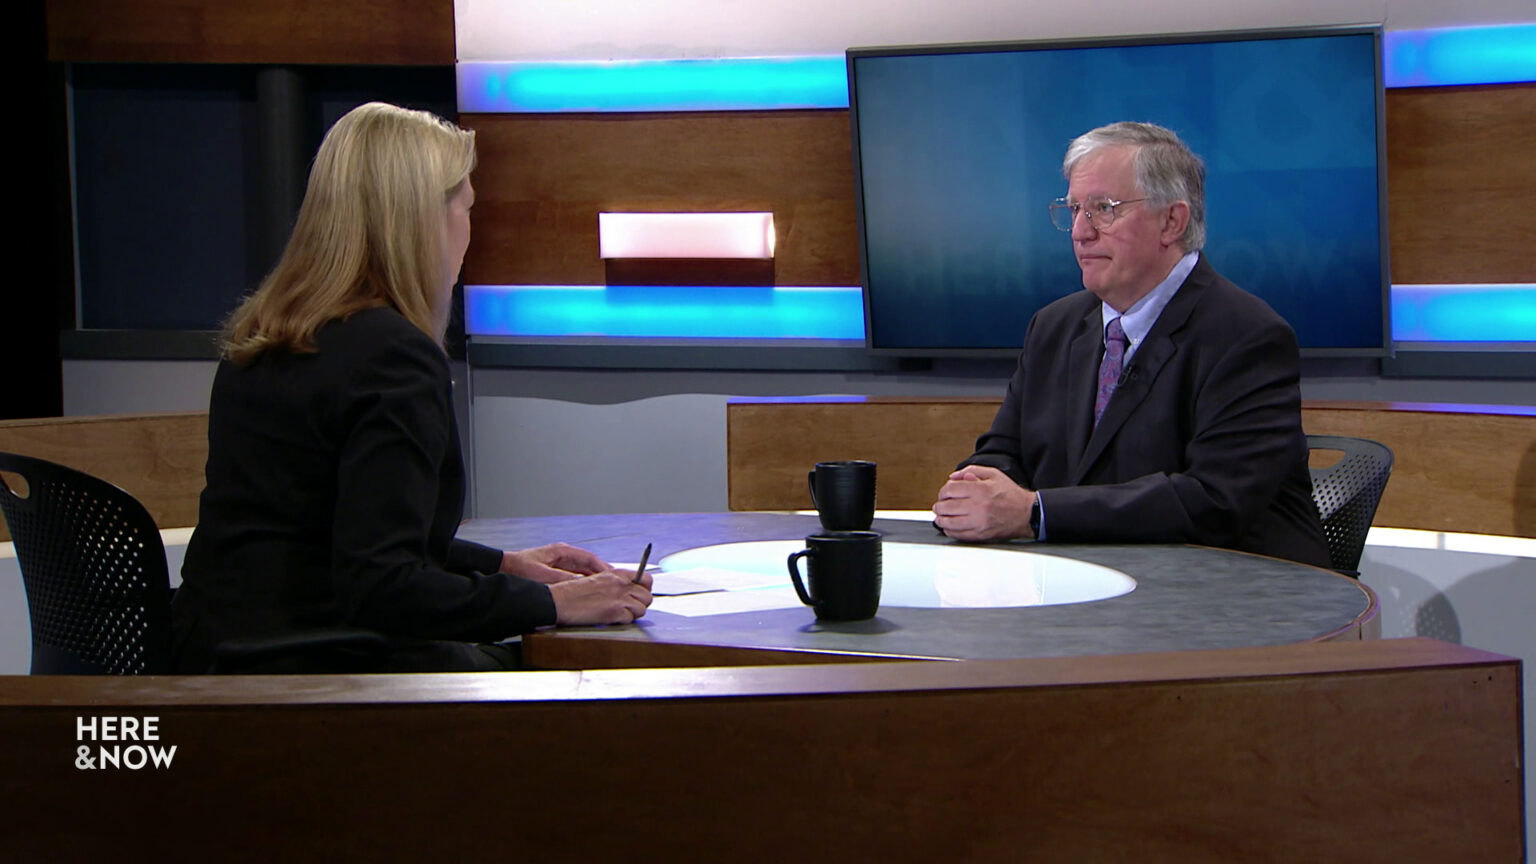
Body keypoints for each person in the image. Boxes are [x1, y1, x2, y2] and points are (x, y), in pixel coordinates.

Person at [171, 102, 652, 673]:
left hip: (214, 658)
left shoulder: (267, 336)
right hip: (319, 680)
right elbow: (382, 587)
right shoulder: (393, 357)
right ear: (423, 222)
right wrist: (551, 602)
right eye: (468, 209)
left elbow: (333, 533)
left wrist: (504, 567)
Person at [932, 121, 1331, 567]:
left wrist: (1035, 513)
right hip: (1084, 586)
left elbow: (1214, 499)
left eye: (1103, 209)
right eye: (1075, 209)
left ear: (1171, 221)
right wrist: (978, 493)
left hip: (1233, 601)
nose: (1081, 232)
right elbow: (1006, 452)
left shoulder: (1246, 335)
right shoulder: (1053, 326)